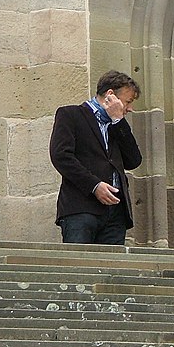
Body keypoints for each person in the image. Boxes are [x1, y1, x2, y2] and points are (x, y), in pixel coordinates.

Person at [50, 70, 143, 245]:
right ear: (111, 94)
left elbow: (134, 160)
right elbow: (61, 156)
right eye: (128, 101)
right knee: (79, 267)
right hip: (81, 208)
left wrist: (118, 121)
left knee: (111, 270)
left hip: (116, 214)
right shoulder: (71, 115)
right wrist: (94, 186)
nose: (130, 108)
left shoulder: (117, 124)